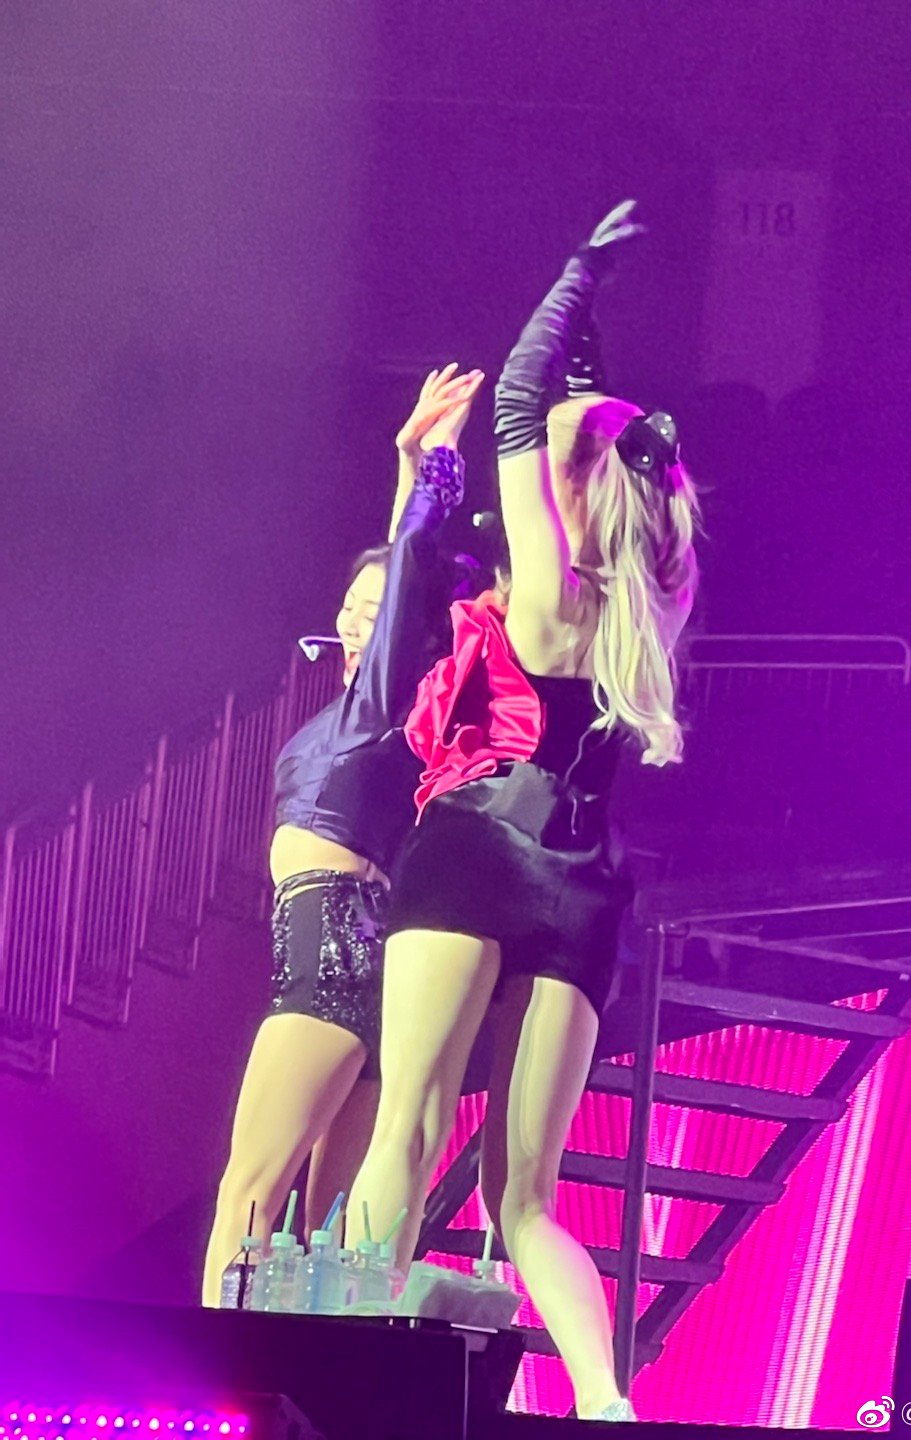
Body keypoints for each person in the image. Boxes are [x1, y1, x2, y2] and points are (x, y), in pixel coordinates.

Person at [346, 203, 698, 1419]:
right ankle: (605, 1402)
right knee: (529, 1198)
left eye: (548, 466)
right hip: (587, 883)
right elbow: (564, 428)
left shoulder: (542, 591)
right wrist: (591, 348)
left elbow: (515, 404)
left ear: (567, 485)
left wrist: (576, 278)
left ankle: (347, 1375)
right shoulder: (649, 597)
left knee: (406, 1126)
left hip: (479, 847)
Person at [202, 364, 484, 1305]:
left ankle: (210, 1364)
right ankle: (306, 1368)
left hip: (329, 958)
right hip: (360, 963)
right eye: (352, 610)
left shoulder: (386, 706)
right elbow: (403, 575)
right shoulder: (379, 715)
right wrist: (407, 472)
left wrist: (429, 465)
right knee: (326, 1239)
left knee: (248, 1197)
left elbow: (413, 566)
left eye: (378, 610)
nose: (360, 621)